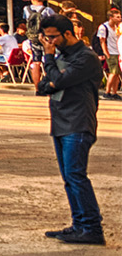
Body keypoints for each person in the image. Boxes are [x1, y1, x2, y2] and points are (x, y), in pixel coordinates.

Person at [30, 14, 105, 244]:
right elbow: (44, 86)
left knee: (76, 175)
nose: (48, 42)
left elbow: (58, 82)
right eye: (45, 38)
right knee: (68, 177)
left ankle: (92, 227)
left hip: (79, 122)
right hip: (61, 121)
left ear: (68, 34)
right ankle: (79, 223)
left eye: (52, 37)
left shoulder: (87, 58)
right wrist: (53, 78)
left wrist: (50, 63)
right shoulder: (64, 56)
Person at [99, 6, 122, 101]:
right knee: (112, 72)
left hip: (118, 52)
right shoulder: (103, 27)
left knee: (117, 73)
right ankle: (107, 91)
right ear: (111, 17)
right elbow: (102, 41)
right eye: (117, 17)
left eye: (120, 16)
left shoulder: (118, 27)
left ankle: (114, 92)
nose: (120, 18)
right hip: (110, 52)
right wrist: (106, 53)